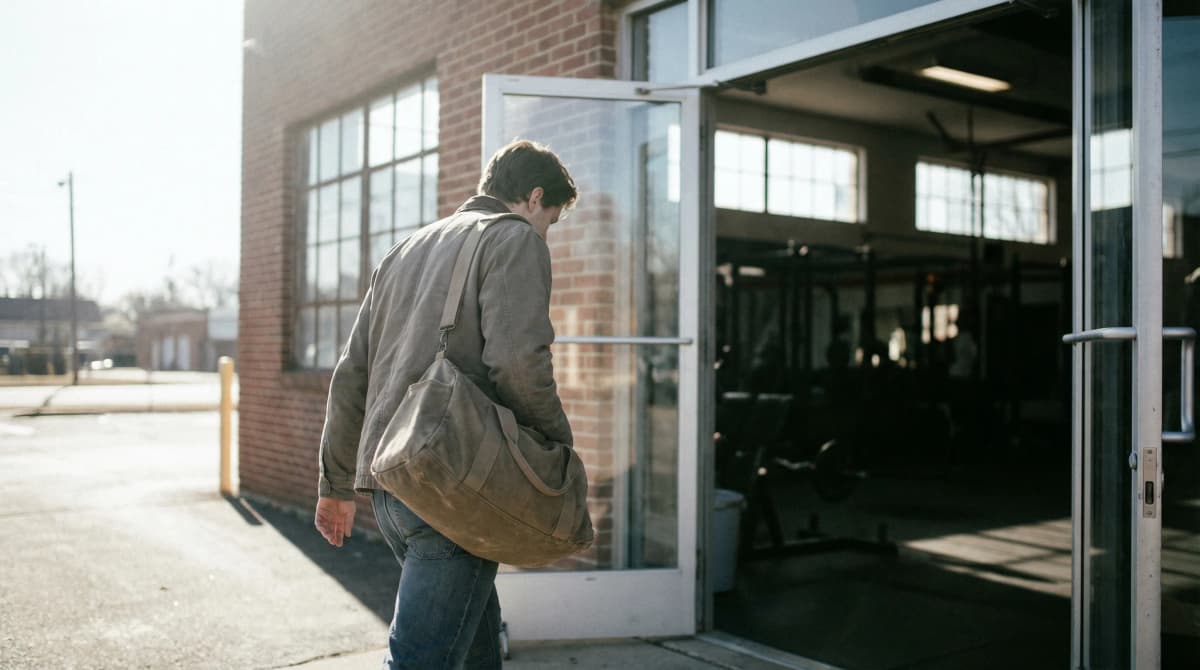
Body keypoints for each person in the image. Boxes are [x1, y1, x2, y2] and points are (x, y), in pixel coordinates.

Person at [313, 139, 577, 669]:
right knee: (421, 662)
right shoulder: (513, 239)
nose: (545, 231)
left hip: (390, 485)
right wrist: (555, 448)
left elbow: (351, 374)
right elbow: (519, 364)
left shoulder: (405, 249)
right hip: (453, 485)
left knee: (476, 652)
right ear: (533, 196)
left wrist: (336, 484)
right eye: (550, 218)